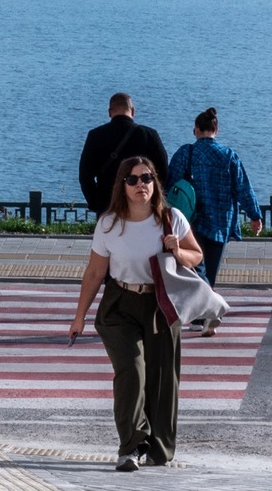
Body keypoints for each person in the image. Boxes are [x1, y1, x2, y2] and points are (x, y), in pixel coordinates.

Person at [69, 155, 205, 472]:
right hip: (120, 303)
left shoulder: (171, 218)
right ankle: (130, 446)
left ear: (155, 182)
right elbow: (94, 273)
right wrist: (79, 316)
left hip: (160, 303)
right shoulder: (109, 224)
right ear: (123, 185)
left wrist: (176, 250)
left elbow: (196, 256)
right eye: (132, 179)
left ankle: (158, 448)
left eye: (146, 178)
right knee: (131, 371)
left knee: (162, 378)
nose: (140, 184)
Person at [166, 108, 263, 316]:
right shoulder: (229, 156)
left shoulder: (185, 153)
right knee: (210, 272)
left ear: (196, 130)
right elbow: (243, 188)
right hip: (220, 222)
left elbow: (170, 185)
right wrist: (255, 215)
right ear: (216, 130)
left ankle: (201, 314)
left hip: (190, 221)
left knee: (195, 270)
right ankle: (207, 313)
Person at [78, 93, 169, 216]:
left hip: (108, 204)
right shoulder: (149, 135)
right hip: (141, 205)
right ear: (133, 111)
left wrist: (96, 203)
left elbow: (85, 175)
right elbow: (163, 172)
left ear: (109, 112)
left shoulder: (95, 135)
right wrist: (153, 200)